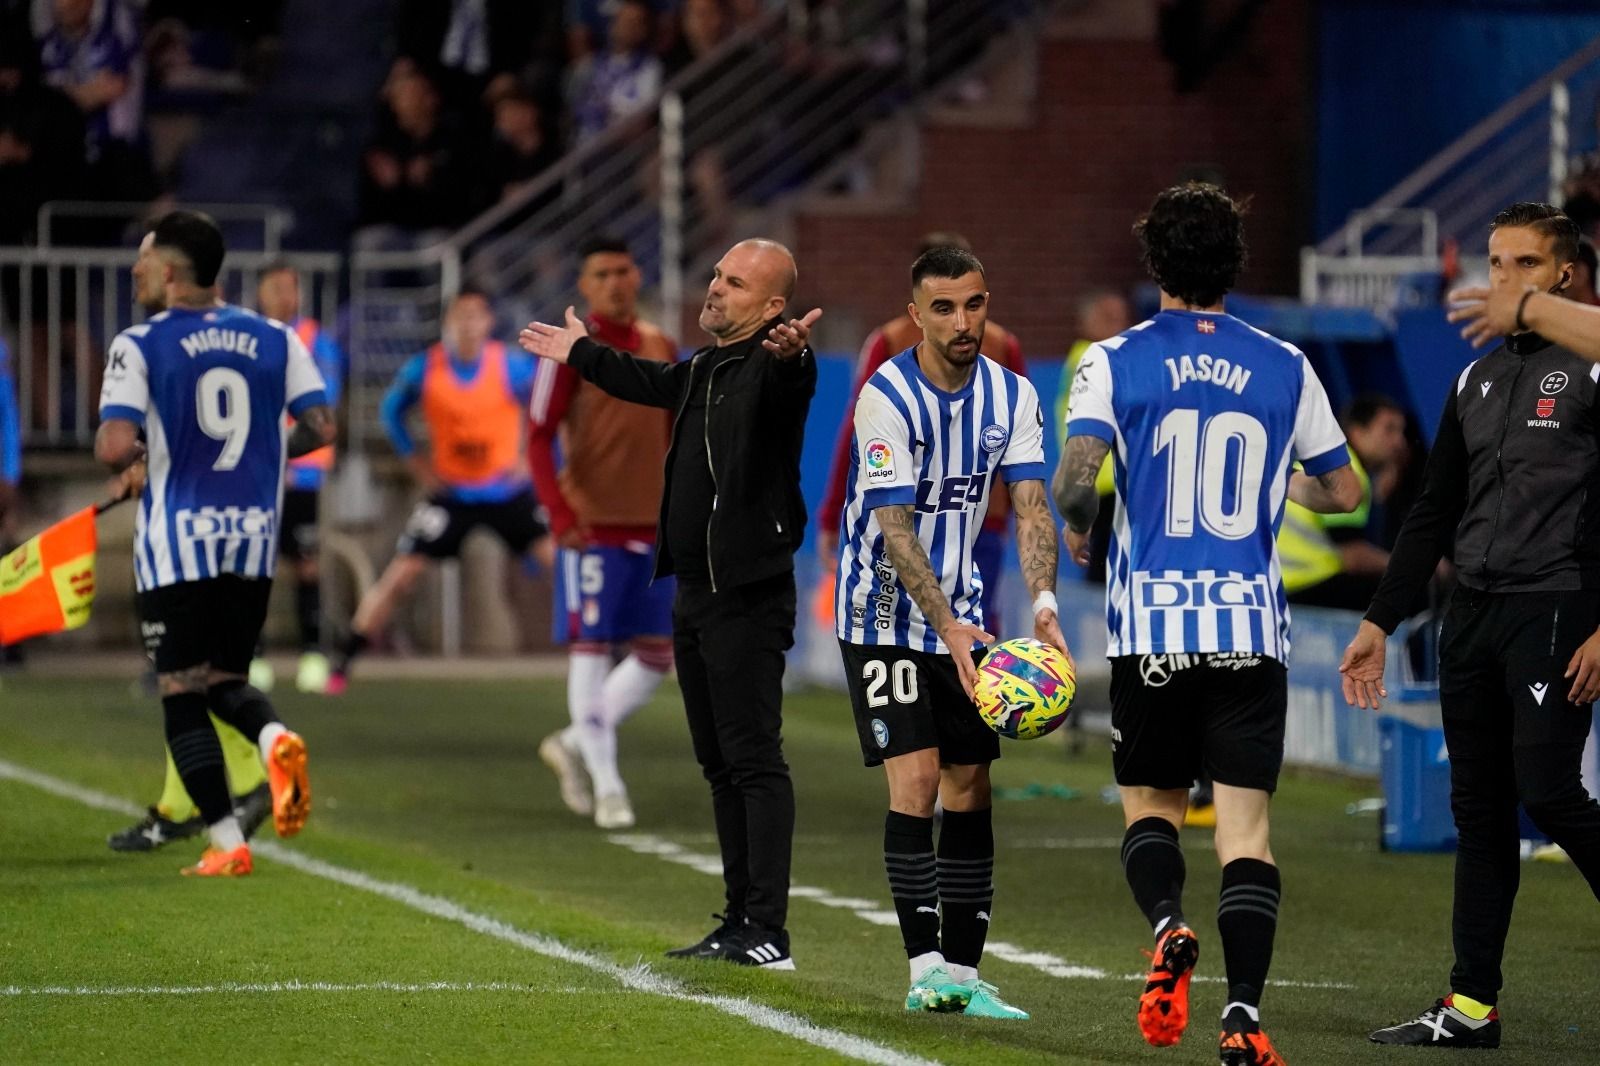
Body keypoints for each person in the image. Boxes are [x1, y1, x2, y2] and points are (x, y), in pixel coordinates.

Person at [1055, 182, 1359, 1066]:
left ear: (1155, 264)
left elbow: (1078, 481)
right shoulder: (1286, 365)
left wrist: (1080, 528)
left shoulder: (1113, 358)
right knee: (1246, 834)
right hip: (1250, 632)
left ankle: (1167, 925)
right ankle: (1245, 1018)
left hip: (1152, 629)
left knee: (1149, 807)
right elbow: (1345, 492)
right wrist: (1281, 482)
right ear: (1236, 262)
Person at [1343, 202, 1600, 1049]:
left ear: (1563, 275)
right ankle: (1470, 1007)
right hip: (1473, 617)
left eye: (1522, 265)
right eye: (1493, 264)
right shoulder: (1473, 382)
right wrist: (1382, 620)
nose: (1500, 281)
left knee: (1550, 790)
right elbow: (1431, 514)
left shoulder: (1593, 368)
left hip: (1557, 605)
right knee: (1480, 814)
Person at [520, 238, 817, 970]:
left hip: (745, 595)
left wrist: (792, 355)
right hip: (695, 591)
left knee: (753, 761)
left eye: (735, 282)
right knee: (719, 765)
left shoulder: (772, 366)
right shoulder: (707, 367)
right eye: (716, 274)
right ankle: (739, 919)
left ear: (773, 308)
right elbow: (648, 379)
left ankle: (769, 931)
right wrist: (581, 352)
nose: (714, 287)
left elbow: (790, 380)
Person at [836, 245, 1057, 1020]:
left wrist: (1044, 613)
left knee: (971, 785)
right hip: (883, 613)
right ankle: (924, 967)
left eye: (974, 304)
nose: (963, 322)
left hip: (967, 616)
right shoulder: (884, 397)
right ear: (915, 315)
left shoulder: (1015, 396)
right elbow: (896, 534)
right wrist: (948, 628)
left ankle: (964, 972)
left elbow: (1031, 510)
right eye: (943, 308)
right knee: (920, 781)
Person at [94, 210, 327, 876]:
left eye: (143, 260)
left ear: (169, 271)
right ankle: (276, 736)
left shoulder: (141, 344)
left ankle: (227, 844)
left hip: (178, 543)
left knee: (180, 688)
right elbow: (321, 422)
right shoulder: (278, 337)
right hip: (252, 539)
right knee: (227, 676)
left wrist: (146, 454)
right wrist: (264, 451)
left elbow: (114, 446)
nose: (135, 271)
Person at [330, 287, 552, 691]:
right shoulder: (424, 369)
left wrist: (531, 460)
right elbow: (390, 412)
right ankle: (343, 663)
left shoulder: (512, 367)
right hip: (451, 495)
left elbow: (551, 407)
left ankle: (610, 648)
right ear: (447, 324)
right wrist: (416, 463)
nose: (467, 326)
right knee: (401, 575)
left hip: (506, 492)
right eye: (459, 317)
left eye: (475, 316)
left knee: (564, 563)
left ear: (487, 323)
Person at [529, 236, 677, 830]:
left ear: (637, 275)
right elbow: (538, 435)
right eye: (602, 273)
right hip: (592, 528)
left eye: (623, 269)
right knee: (590, 649)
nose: (616, 281)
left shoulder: (662, 345)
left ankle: (572, 740)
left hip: (655, 524)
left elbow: (677, 432)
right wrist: (561, 516)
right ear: (585, 286)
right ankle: (610, 784)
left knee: (656, 654)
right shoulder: (570, 351)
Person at [818, 232, 1026, 629]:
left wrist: (832, 515)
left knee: (904, 627)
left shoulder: (890, 339)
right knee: (976, 623)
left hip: (912, 508)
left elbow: (856, 428)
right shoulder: (1001, 343)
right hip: (974, 512)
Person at [247, 261, 345, 695]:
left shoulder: (316, 341)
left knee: (305, 562)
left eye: (293, 288)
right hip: (257, 469)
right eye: (278, 288)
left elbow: (322, 403)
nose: (287, 296)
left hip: (303, 470)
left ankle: (312, 654)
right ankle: (253, 656)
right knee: (255, 562)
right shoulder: (247, 337)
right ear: (260, 294)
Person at [1280, 393, 1409, 611]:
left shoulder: (1323, 463)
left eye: (1401, 432)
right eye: (1389, 429)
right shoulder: (1347, 473)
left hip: (1279, 585)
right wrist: (1412, 567)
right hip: (1308, 586)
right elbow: (1354, 557)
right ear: (1358, 432)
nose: (1399, 442)